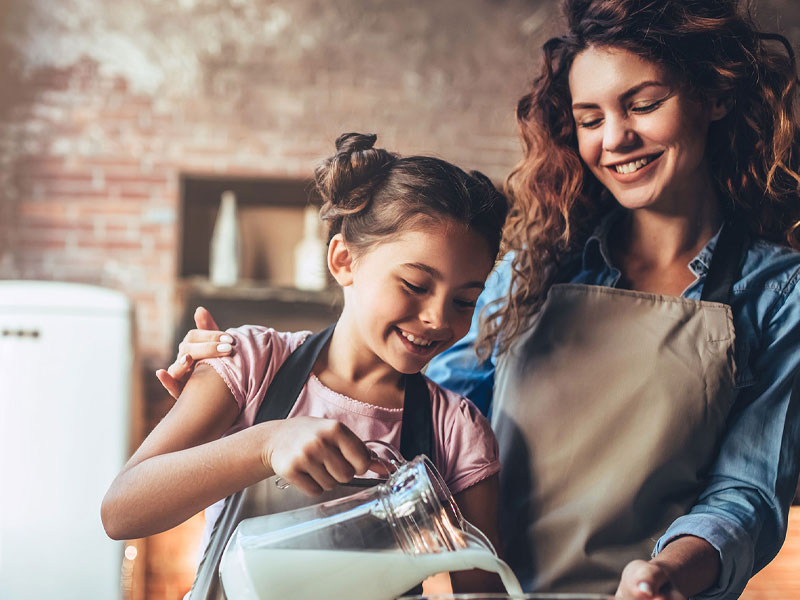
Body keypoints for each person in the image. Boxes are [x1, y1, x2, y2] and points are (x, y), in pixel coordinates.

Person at [162, 1, 800, 598]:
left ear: (714, 95)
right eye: (589, 119)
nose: (616, 138)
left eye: (644, 104)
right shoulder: (535, 267)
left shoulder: (776, 293)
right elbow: (417, 400)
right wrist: (251, 382)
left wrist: (670, 573)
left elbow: (748, 488)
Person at [101, 132, 509, 595]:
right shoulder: (252, 363)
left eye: (464, 300)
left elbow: (481, 591)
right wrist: (267, 442)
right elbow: (121, 511)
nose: (438, 317)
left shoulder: (457, 431)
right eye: (415, 285)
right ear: (343, 260)